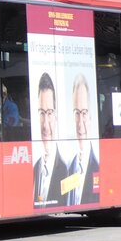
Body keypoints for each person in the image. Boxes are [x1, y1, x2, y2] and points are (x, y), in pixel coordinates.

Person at [64, 74, 100, 206]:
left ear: (90, 116)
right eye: (76, 113)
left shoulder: (96, 164)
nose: (80, 124)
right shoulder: (67, 168)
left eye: (84, 113)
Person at [32, 72, 66, 207]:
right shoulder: (36, 168)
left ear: (56, 116)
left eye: (50, 113)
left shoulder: (66, 169)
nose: (45, 125)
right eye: (41, 113)